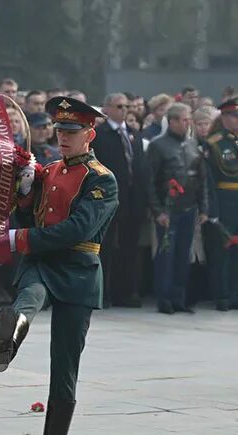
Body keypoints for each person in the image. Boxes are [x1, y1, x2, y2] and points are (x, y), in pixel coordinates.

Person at [0, 96, 117, 435]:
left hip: (77, 269)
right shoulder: (48, 170)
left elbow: (78, 229)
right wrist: (26, 194)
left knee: (64, 371)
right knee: (29, 295)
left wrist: (20, 236)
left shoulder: (101, 179)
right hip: (44, 263)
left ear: (89, 135)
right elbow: (33, 213)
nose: (63, 137)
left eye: (71, 131)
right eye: (60, 130)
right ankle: (9, 336)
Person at [146, 103, 207, 314]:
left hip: (189, 208)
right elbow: (150, 182)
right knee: (166, 256)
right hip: (168, 210)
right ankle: (164, 299)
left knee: (183, 256)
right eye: (183, 119)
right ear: (171, 122)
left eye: (189, 119)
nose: (187, 123)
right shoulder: (158, 145)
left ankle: (179, 298)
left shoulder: (192, 144)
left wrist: (204, 208)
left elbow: (201, 179)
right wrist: (158, 211)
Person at [203, 97, 238, 311]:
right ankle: (223, 294)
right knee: (223, 251)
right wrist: (213, 209)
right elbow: (211, 180)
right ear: (224, 118)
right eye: (235, 116)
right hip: (226, 202)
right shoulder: (214, 143)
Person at [92, 92, 145, 308]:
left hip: (132, 200)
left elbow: (141, 167)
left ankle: (127, 291)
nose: (125, 110)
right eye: (120, 106)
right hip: (108, 200)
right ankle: (102, 292)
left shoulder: (133, 134)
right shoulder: (100, 134)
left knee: (129, 247)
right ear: (107, 109)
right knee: (105, 248)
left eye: (127, 107)